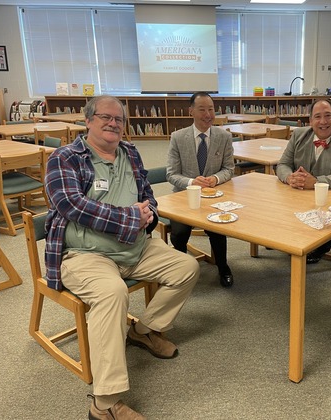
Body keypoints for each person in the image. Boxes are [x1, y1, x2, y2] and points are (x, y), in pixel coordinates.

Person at [45, 95, 200, 419]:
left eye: (119, 119)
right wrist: (130, 217)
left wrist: (149, 216)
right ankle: (104, 405)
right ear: (88, 121)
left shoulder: (129, 152)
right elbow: (71, 204)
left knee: (187, 266)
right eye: (105, 117)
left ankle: (142, 331)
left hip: (136, 246)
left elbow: (148, 196)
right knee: (113, 293)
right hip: (87, 254)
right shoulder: (65, 158)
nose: (113, 123)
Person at [276, 99, 331, 264]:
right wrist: (289, 177)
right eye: (317, 117)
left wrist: (316, 182)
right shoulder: (299, 135)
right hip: (298, 195)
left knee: (328, 212)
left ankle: (321, 246)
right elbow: (283, 164)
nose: (323, 122)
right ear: (310, 121)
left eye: (328, 115)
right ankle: (289, 237)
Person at [167, 92, 235, 287]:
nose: (208, 114)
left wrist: (215, 178)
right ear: (191, 112)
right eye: (202, 109)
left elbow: (229, 169)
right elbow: (171, 174)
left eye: (211, 109)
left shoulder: (224, 136)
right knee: (179, 232)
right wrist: (191, 183)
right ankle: (181, 269)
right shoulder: (178, 137)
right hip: (184, 197)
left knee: (218, 231)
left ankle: (223, 266)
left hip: (214, 197)